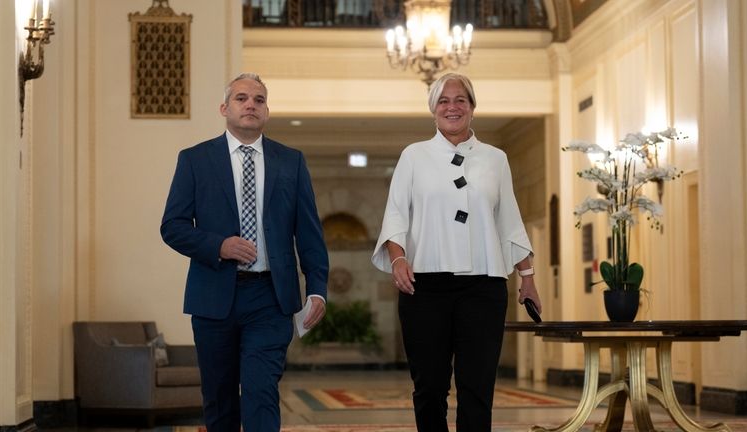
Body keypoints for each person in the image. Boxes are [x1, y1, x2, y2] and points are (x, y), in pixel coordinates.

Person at [371, 72, 542, 432]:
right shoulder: (414, 156)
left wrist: (527, 277)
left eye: (460, 100)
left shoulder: (495, 159)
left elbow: (509, 219)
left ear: (472, 108)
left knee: (477, 387)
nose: (452, 107)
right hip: (425, 288)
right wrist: (399, 258)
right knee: (430, 386)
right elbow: (396, 214)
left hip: (484, 287)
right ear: (433, 109)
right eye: (444, 101)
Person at [161, 73, 329, 432]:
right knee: (220, 399)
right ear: (225, 108)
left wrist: (317, 289)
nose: (250, 104)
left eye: (259, 99)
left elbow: (310, 234)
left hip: (271, 297)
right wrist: (217, 245)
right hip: (213, 296)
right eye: (241, 98)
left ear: (267, 112)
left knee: (260, 390)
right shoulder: (195, 160)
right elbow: (172, 227)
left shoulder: (291, 162)